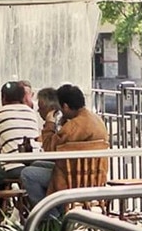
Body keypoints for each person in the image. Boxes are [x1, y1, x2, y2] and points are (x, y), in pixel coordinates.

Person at [19, 84, 108, 213]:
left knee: (27, 174)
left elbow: (49, 150)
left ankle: (49, 216)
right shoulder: (96, 120)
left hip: (73, 178)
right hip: (94, 175)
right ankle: (58, 211)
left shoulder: (74, 126)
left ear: (65, 106)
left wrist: (50, 122)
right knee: (37, 164)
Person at [0, 81, 41, 190]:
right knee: (0, 164)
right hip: (36, 163)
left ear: (3, 97)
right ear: (23, 97)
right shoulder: (31, 112)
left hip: (14, 166)